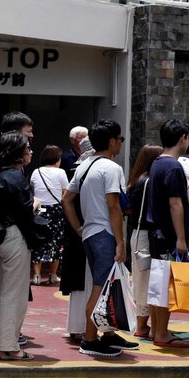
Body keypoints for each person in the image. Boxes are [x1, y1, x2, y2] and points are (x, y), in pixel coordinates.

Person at [62, 119, 138, 357]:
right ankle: (90, 339)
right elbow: (114, 206)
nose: (121, 144)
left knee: (104, 286)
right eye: (121, 139)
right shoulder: (112, 168)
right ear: (112, 141)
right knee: (101, 287)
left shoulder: (84, 165)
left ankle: (107, 334)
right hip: (105, 233)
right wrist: (120, 241)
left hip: (90, 233)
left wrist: (78, 228)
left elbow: (66, 199)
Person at [0, 131, 35, 361]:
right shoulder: (15, 177)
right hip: (15, 237)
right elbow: (24, 212)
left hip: (0, 238)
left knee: (1, 292)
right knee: (13, 294)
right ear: (18, 153)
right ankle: (9, 345)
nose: (30, 151)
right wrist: (34, 205)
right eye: (27, 147)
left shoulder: (0, 174)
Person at [146, 119, 189, 348]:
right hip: (169, 236)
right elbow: (176, 203)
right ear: (182, 138)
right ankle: (162, 333)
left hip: (156, 234)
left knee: (158, 284)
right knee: (165, 285)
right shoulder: (174, 167)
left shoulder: (157, 163)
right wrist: (182, 237)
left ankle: (157, 329)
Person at [126, 144, 162, 339]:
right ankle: (141, 325)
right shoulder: (148, 182)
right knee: (145, 281)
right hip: (145, 237)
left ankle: (142, 324)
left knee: (142, 280)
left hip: (138, 235)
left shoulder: (137, 181)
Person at [29, 145, 69, 285]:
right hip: (56, 210)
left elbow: (33, 190)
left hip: (39, 209)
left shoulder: (36, 172)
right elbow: (65, 194)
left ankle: (37, 275)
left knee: (38, 241)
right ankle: (52, 274)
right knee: (56, 242)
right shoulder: (61, 173)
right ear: (57, 159)